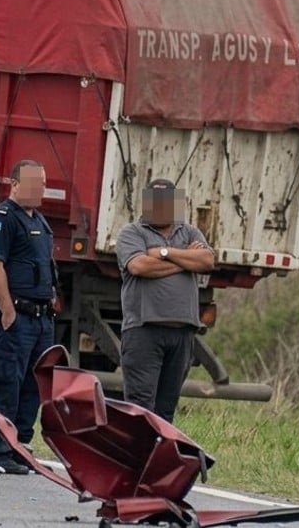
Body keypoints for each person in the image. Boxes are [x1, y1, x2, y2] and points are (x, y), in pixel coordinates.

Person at [0, 159, 58, 475]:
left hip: (40, 320)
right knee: (6, 382)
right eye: (33, 183)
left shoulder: (39, 220)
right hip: (14, 318)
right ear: (14, 184)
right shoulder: (2, 219)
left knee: (33, 386)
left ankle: (20, 446)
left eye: (42, 183)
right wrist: (8, 310)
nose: (39, 189)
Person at [114, 178, 215, 424]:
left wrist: (164, 253)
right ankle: (135, 460)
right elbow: (139, 266)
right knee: (140, 407)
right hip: (144, 330)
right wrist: (185, 260)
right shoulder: (132, 233)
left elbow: (207, 262)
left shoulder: (189, 231)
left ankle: (158, 460)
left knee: (166, 409)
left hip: (182, 334)